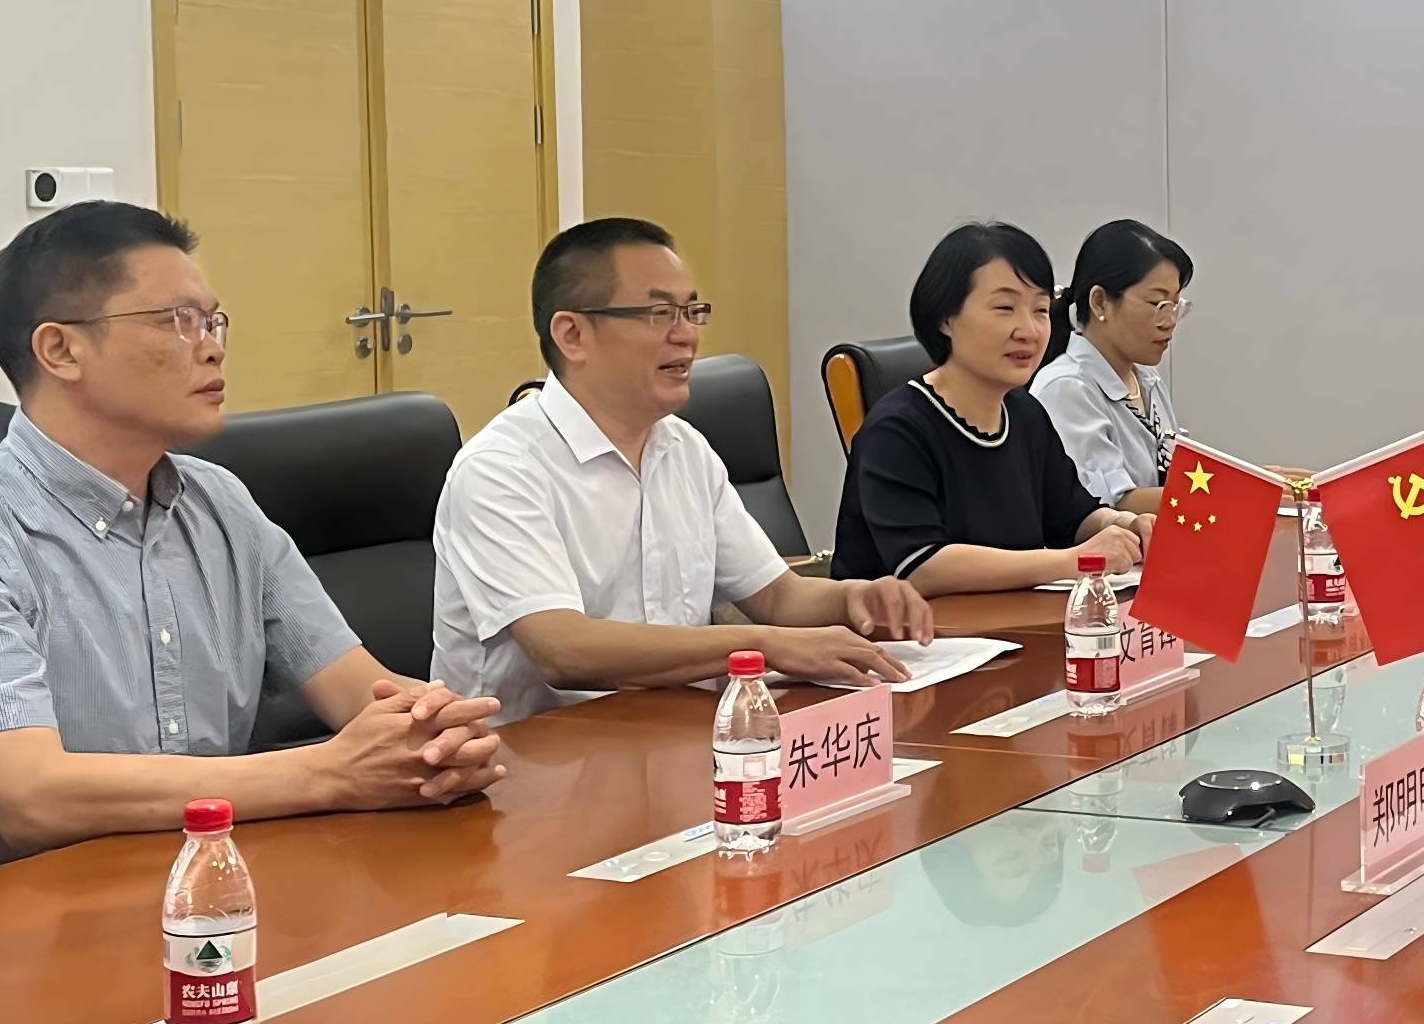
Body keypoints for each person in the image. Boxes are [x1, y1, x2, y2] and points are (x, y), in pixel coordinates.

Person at [0, 202, 505, 902]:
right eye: (176, 321)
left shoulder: (218, 502)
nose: (212, 347)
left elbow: (363, 692)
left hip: (197, 902)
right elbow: (32, 795)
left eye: (213, 321)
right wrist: (330, 773)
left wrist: (436, 737)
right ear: (61, 350)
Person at [432, 217, 936, 723]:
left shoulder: (684, 447)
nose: (687, 336)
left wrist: (857, 597)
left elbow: (778, 596)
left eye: (692, 311)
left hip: (677, 730)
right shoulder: (500, 470)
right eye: (660, 314)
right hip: (532, 754)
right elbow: (564, 649)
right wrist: (764, 645)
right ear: (573, 334)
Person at [831, 221, 1143, 592]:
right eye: (1005, 307)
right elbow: (923, 566)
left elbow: (1072, 517)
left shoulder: (1025, 414)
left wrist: (1125, 526)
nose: (1028, 330)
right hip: (909, 627)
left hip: (1010, 620)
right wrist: (1072, 561)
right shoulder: (896, 429)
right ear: (945, 318)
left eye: (1040, 310)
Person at [1030, 219, 1191, 513]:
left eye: (1175, 306)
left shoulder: (1147, 379)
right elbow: (1110, 503)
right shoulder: (1066, 388)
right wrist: (1235, 490)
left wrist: (1252, 480)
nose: (1169, 322)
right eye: (1158, 304)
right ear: (1100, 302)